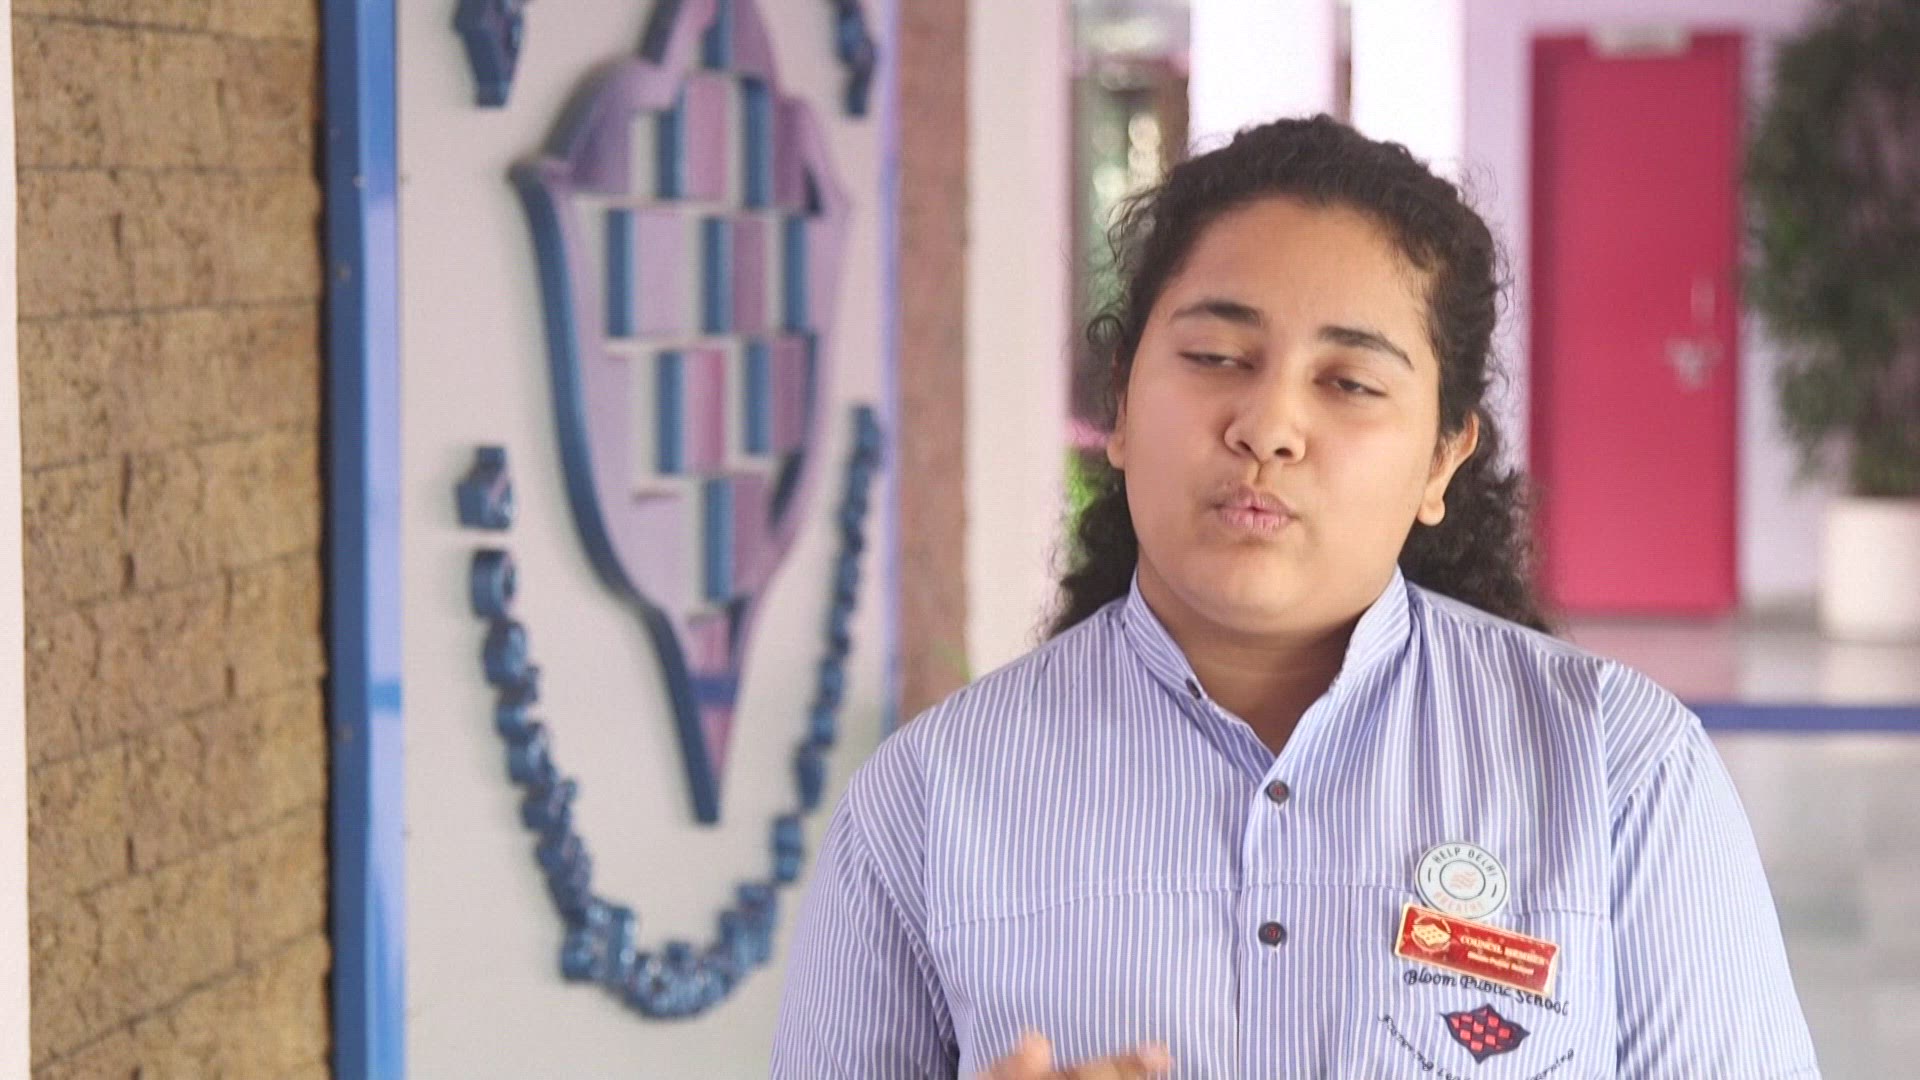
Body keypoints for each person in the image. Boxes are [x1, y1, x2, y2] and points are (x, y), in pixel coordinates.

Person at [770, 115, 1819, 1078]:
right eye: (1215, 357)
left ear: (1442, 460)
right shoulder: (925, 806)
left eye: (1349, 382)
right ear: (1121, 405)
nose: (1267, 426)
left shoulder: (1621, 771)